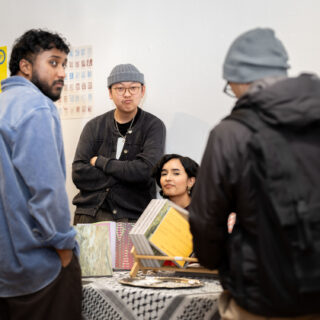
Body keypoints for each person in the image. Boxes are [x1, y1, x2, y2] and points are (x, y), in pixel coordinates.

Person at [189, 28, 320, 319]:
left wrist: (221, 263)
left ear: (238, 80)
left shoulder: (231, 133)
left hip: (263, 293)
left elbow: (206, 220)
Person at [0, 29, 82, 320]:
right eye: (54, 63)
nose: (62, 73)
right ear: (25, 65)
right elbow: (47, 191)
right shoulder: (35, 106)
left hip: (8, 274)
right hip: (39, 267)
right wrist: (63, 248)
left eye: (64, 65)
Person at [72, 63, 166, 224]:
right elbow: (79, 173)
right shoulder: (93, 126)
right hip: (89, 214)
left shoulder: (153, 126)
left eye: (133, 88)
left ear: (142, 91)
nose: (127, 94)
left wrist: (101, 162)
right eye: (120, 89)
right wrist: (127, 173)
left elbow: (145, 171)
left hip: (133, 217)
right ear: (110, 92)